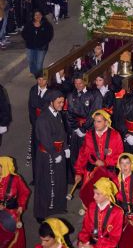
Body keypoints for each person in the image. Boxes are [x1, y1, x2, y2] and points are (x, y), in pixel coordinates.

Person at [33, 90, 68, 221]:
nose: (62, 104)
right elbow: (45, 140)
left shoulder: (57, 114)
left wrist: (65, 147)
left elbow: (63, 133)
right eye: (59, 102)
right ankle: (41, 212)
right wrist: (55, 154)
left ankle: (58, 207)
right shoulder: (43, 119)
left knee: (59, 181)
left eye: (63, 102)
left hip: (59, 153)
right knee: (45, 184)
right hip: (47, 156)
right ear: (51, 102)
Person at [74, 110, 124, 185]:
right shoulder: (89, 135)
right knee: (89, 195)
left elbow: (120, 155)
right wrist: (78, 172)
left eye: (99, 121)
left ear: (106, 122)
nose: (95, 124)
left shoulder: (115, 135)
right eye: (95, 121)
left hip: (109, 173)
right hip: (91, 172)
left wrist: (105, 162)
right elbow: (83, 155)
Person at [66, 74, 103, 175]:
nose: (78, 85)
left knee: (88, 153)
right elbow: (69, 113)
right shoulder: (71, 95)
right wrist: (75, 127)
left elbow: (94, 112)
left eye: (80, 83)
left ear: (85, 82)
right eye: (76, 83)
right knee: (75, 153)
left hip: (89, 129)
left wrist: (84, 128)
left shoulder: (94, 94)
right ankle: (77, 175)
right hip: (75, 129)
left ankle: (88, 176)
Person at [78, 177, 124, 248]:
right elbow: (85, 228)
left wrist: (94, 247)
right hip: (91, 242)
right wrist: (82, 241)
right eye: (94, 193)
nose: (94, 196)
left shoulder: (117, 212)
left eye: (98, 194)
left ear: (107, 195)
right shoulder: (91, 206)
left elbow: (114, 240)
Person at [0, 156, 30, 248]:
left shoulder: (16, 179)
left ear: (5, 167)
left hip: (11, 211)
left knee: (12, 232)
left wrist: (21, 205)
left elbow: (25, 193)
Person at [28, 71, 51, 181]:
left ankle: (47, 177)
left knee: (46, 152)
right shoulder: (33, 90)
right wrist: (34, 123)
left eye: (43, 79)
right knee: (36, 151)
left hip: (47, 127)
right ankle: (36, 177)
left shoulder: (51, 92)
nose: (41, 82)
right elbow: (31, 107)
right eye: (39, 79)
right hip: (36, 125)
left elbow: (48, 108)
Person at [21, 10, 54, 76]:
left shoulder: (47, 25)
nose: (38, 16)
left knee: (39, 64)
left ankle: (38, 76)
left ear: (42, 15)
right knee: (31, 61)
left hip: (41, 47)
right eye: (36, 15)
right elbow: (23, 33)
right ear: (33, 16)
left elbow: (49, 35)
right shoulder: (29, 24)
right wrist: (28, 40)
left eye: (39, 14)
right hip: (30, 46)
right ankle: (33, 72)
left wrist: (43, 42)